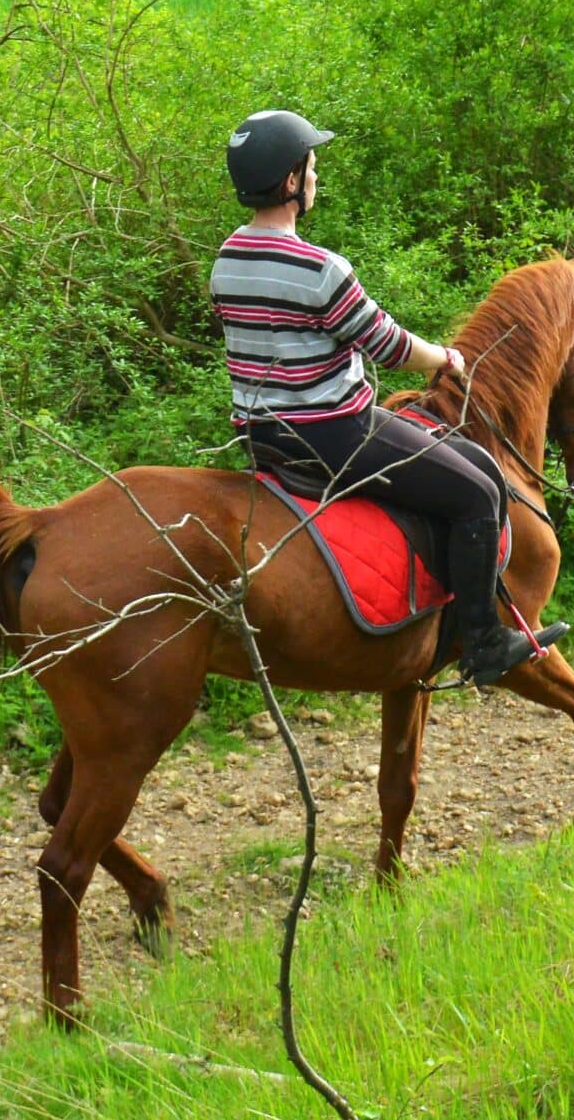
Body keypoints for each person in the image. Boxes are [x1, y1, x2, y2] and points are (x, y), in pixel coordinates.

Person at [211, 109, 537, 687]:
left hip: (262, 437)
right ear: (290, 182)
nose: (315, 176)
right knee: (480, 492)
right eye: (310, 166)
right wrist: (445, 357)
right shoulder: (319, 268)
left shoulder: (227, 259)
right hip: (334, 434)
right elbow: (386, 343)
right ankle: (483, 640)